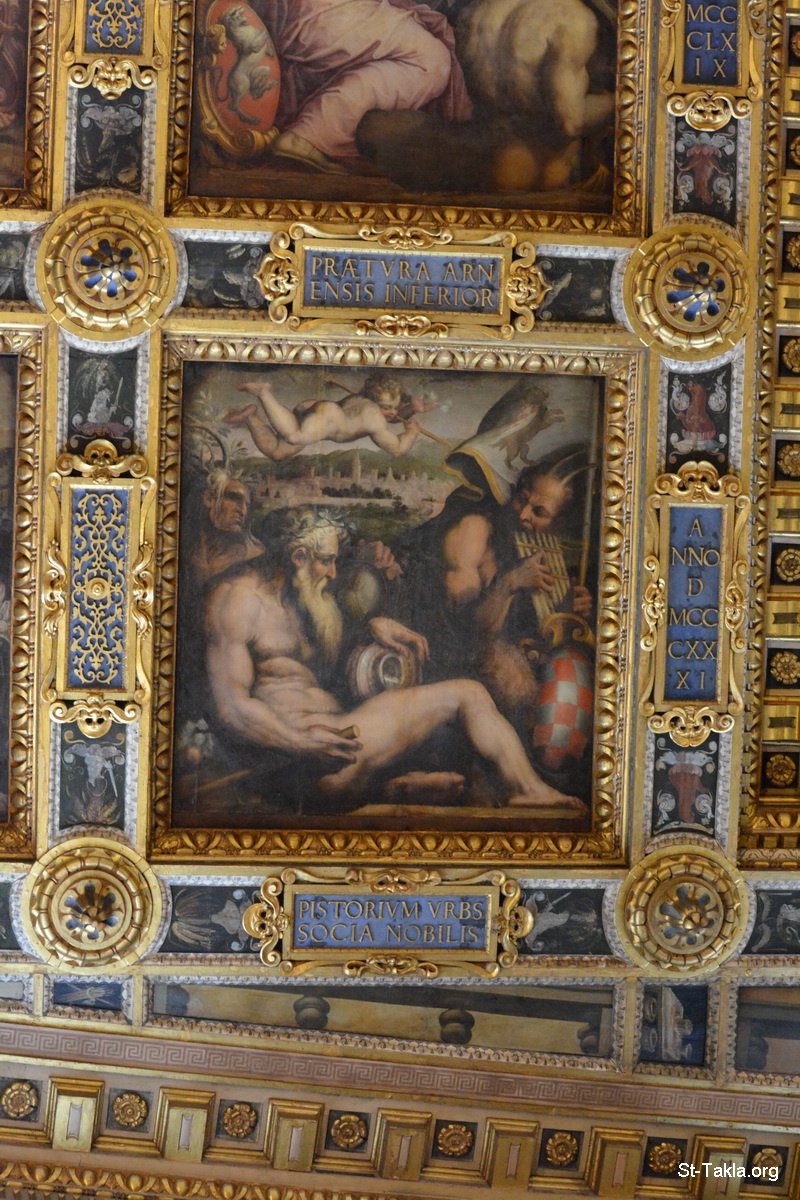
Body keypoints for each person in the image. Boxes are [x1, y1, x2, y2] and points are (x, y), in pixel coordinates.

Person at [203, 507, 581, 810]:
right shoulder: (235, 601)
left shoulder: (296, 593)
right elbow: (231, 707)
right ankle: (527, 790)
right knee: (469, 694)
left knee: (459, 711)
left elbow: (310, 660)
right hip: (305, 760)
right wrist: (302, 744)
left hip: (336, 738)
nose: (333, 572)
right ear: (298, 556)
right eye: (327, 562)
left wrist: (372, 625)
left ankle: (392, 786)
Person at [248, 0, 472, 173]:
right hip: (318, 14)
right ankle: (310, 134)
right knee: (429, 60)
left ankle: (313, 131)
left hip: (304, 13)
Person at [226, 374, 421, 459]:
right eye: (387, 408)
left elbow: (390, 418)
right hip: (328, 419)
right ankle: (263, 393)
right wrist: (411, 434)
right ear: (376, 404)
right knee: (294, 436)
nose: (393, 412)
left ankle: (251, 416)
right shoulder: (375, 418)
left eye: (396, 408)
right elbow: (396, 449)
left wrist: (410, 409)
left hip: (322, 412)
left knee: (278, 452)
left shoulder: (365, 402)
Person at [189, 468, 263, 586]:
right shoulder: (190, 552)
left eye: (246, 504)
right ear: (209, 499)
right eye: (234, 498)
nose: (243, 511)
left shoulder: (253, 556)